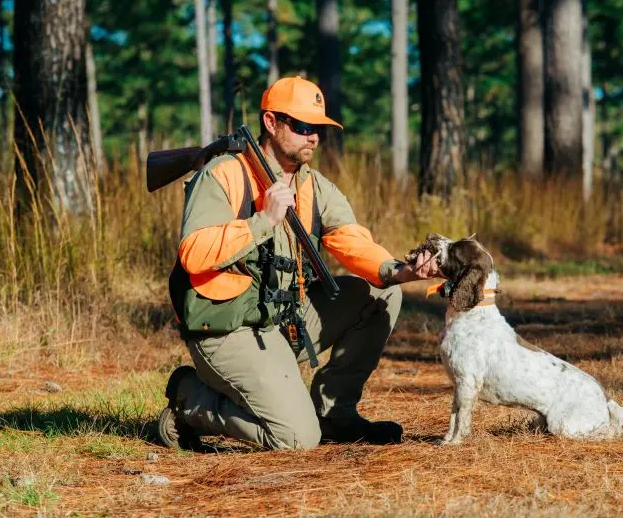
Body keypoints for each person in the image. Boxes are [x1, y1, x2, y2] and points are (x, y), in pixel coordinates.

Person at [158, 76, 440, 451]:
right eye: (303, 126)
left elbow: (350, 239)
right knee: (296, 439)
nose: (313, 137)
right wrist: (263, 221)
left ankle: (334, 414)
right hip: (228, 327)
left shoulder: (313, 185)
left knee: (381, 294)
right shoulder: (222, 174)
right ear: (271, 122)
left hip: (281, 320)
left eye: (318, 129)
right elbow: (194, 252)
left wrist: (399, 271)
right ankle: (190, 398)